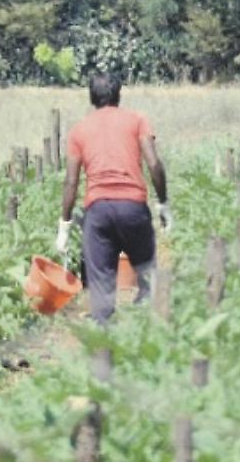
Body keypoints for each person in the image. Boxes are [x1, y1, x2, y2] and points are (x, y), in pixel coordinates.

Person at [57, 73, 170, 323]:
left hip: (97, 212)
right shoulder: (137, 120)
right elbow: (154, 164)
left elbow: (71, 182)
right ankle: (143, 335)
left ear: (91, 97)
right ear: (119, 95)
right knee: (148, 278)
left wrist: (64, 225)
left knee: (101, 287)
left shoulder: (79, 130)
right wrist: (163, 203)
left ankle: (104, 347)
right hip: (133, 208)